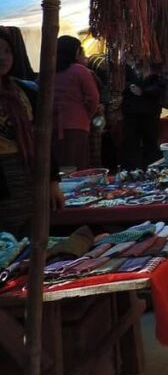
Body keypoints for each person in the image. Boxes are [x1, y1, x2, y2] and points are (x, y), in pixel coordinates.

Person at [0, 28, 63, 236]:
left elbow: (43, 139)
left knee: (32, 240)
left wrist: (52, 181)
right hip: (4, 180)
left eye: (8, 51)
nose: (3, 57)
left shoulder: (25, 91)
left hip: (29, 176)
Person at [53, 35, 100, 170]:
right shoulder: (79, 70)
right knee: (77, 166)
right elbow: (93, 98)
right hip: (76, 125)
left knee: (60, 165)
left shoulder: (49, 70)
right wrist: (86, 116)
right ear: (75, 51)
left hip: (53, 125)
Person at [120, 65, 167, 170]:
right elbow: (117, 82)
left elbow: (161, 85)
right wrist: (130, 87)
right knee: (131, 142)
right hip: (132, 110)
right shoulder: (125, 65)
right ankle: (133, 170)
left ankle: (150, 169)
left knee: (150, 142)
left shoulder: (154, 65)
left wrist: (144, 92)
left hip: (149, 110)